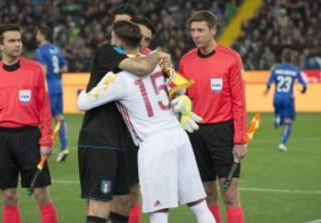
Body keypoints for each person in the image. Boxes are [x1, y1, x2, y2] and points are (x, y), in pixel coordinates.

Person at [77, 20, 215, 223]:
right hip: (179, 137)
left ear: (119, 43)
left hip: (154, 145)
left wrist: (98, 82)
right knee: (200, 207)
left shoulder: (118, 77)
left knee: (159, 213)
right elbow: (182, 90)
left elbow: (83, 102)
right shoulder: (161, 64)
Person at [77, 20, 172, 223]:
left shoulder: (152, 62)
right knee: (100, 203)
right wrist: (158, 54)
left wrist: (171, 76)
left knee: (124, 201)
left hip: (130, 141)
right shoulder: (110, 53)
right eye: (141, 38)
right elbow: (142, 67)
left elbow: (175, 86)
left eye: (147, 40)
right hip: (100, 139)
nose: (143, 43)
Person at [0, 24, 58, 223]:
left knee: (41, 194)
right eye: (11, 41)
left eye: (19, 40)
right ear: (0, 46)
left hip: (30, 138)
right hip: (1, 140)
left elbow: (44, 109)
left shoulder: (35, 70)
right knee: (8, 197)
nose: (17, 44)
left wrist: (46, 140)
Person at [179, 10, 247, 223]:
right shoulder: (186, 61)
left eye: (200, 30)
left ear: (213, 30)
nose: (196, 35)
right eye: (192, 30)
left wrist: (239, 140)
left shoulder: (231, 58)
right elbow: (179, 95)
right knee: (207, 195)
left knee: (229, 195)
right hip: (196, 133)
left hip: (223, 134)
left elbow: (239, 102)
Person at [35, 25, 69, 162]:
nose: (36, 35)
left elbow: (42, 71)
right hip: (58, 85)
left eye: (37, 33)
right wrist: (55, 74)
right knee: (59, 117)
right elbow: (65, 68)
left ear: (43, 35)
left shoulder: (40, 51)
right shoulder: (56, 49)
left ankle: (47, 148)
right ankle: (64, 147)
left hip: (48, 87)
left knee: (44, 119)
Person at [264, 49, 307, 151]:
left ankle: (277, 119)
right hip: (288, 98)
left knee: (280, 117)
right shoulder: (294, 70)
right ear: (291, 58)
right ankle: (282, 144)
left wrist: (268, 89)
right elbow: (304, 84)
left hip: (277, 97)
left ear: (282, 58)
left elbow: (269, 82)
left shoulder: (276, 69)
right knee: (288, 122)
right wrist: (303, 90)